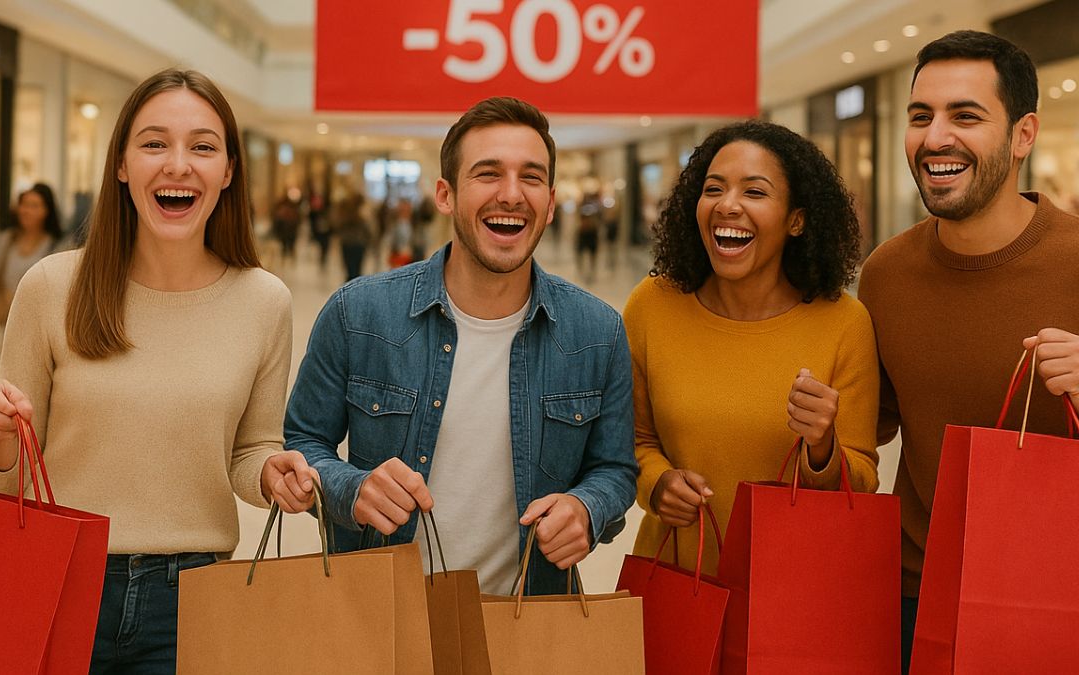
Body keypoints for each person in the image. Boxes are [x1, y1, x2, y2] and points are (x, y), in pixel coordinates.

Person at [0, 69, 294, 672]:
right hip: (60, 580)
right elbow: (8, 485)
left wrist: (271, 473)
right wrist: (0, 436)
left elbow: (251, 450)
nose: (178, 165)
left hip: (191, 597)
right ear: (121, 164)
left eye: (202, 146)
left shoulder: (263, 301)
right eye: (154, 143)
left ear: (228, 171)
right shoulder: (52, 287)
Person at [268, 97, 637, 596]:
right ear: (445, 194)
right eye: (488, 173)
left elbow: (615, 469)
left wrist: (587, 509)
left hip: (527, 616)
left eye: (530, 177)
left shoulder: (597, 332)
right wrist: (352, 489)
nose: (511, 194)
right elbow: (303, 440)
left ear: (550, 203)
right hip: (381, 614)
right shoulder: (358, 314)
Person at [856, 30, 1079, 673]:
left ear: (1023, 135)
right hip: (916, 597)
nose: (935, 138)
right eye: (920, 115)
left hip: (1055, 598)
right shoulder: (886, 275)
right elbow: (864, 437)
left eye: (966, 115)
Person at [628, 120, 880, 575]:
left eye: (755, 192)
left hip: (792, 588)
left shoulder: (845, 323)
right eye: (713, 189)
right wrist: (656, 484)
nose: (727, 205)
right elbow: (633, 439)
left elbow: (861, 483)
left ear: (796, 220)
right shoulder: (653, 305)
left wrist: (822, 447)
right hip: (675, 578)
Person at [0, 183, 62, 324]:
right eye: (24, 205)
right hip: (3, 319)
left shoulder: (56, 247)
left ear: (47, 211)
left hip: (35, 320)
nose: (27, 211)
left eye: (34, 206)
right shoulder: (6, 240)